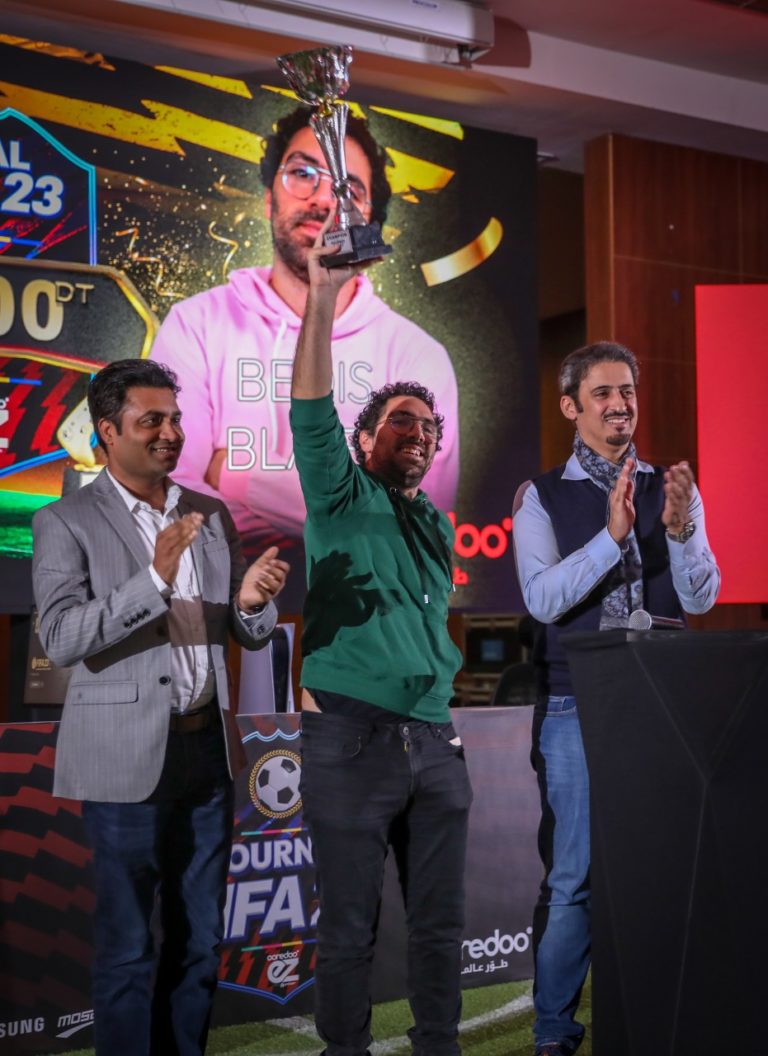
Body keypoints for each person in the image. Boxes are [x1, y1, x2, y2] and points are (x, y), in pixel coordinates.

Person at [31, 358, 289, 1056]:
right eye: (152, 421)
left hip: (207, 753)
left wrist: (251, 605)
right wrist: (153, 578)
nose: (171, 433)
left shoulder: (210, 515)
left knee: (200, 941)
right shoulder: (64, 520)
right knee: (126, 949)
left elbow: (241, 629)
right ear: (108, 431)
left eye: (175, 419)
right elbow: (62, 638)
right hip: (121, 761)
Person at [289, 222, 472, 1056]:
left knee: (440, 929)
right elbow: (310, 409)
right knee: (348, 932)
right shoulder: (339, 493)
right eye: (403, 422)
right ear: (365, 441)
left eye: (430, 426)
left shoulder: (434, 521)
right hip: (349, 740)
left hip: (435, 743)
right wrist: (323, 299)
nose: (421, 433)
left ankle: (439, 1044)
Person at [512, 341, 720, 1056]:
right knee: (574, 877)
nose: (619, 404)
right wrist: (611, 537)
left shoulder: (674, 489)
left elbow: (701, 597)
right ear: (570, 406)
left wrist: (681, 531)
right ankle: (554, 1033)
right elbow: (542, 601)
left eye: (627, 390)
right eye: (602, 393)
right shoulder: (540, 495)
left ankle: (653, 1020)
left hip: (663, 707)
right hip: (576, 707)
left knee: (660, 869)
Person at [149, 105, 459, 563]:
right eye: (302, 174)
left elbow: (413, 520)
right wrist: (333, 526)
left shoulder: (417, 356)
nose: (323, 199)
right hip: (225, 594)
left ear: (370, 223)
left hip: (367, 603)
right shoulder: (195, 325)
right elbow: (167, 489)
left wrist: (234, 476)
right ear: (268, 199)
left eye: (348, 189)